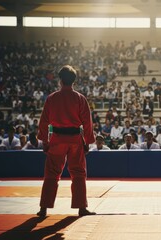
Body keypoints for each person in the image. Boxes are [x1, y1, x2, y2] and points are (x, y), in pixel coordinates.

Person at [36, 65, 96, 217]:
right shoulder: (79, 98)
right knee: (78, 173)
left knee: (51, 173)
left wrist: (44, 140)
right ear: (73, 81)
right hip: (75, 139)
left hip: (56, 139)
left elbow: (44, 122)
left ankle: (44, 207)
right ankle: (81, 207)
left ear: (60, 80)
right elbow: (87, 123)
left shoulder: (52, 98)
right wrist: (87, 141)